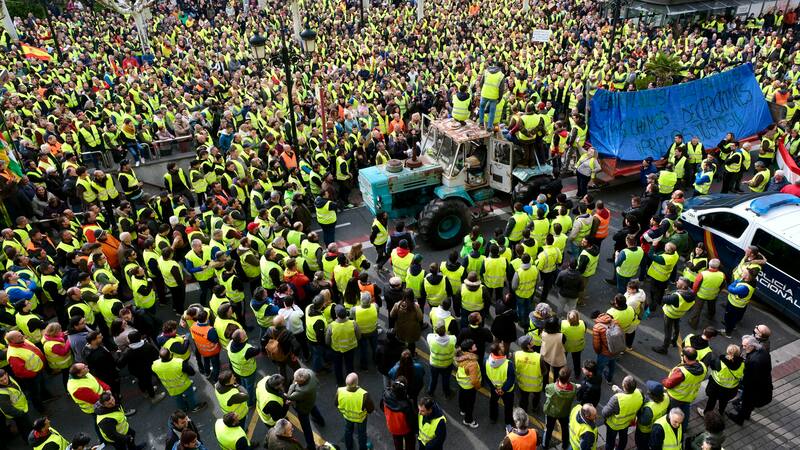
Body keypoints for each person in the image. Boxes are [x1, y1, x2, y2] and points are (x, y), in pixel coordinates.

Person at [727, 335, 772, 425]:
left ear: (752, 345)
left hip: (754, 387)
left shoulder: (753, 360)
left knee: (747, 401)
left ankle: (739, 419)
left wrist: (742, 382)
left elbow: (749, 377)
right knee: (749, 403)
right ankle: (746, 414)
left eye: (745, 346)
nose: (743, 348)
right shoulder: (762, 351)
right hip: (764, 382)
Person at [663, 347, 707, 431]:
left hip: (676, 398)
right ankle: (684, 427)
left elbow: (668, 384)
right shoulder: (703, 366)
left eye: (683, 355)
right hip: (689, 396)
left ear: (686, 358)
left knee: (672, 414)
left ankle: (670, 428)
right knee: (685, 412)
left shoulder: (681, 372)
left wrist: (664, 381)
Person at [152, 348, 207, 413]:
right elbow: (192, 372)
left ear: (160, 357)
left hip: (171, 388)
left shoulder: (155, 365)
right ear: (170, 355)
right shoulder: (178, 362)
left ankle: (183, 409)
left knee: (178, 399)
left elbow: (154, 373)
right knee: (190, 397)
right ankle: (194, 407)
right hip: (184, 386)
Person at [652, 277, 695, 355]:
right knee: (676, 326)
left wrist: (667, 292)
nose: (676, 282)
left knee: (668, 331)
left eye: (678, 282)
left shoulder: (676, 296)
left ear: (683, 287)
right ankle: (674, 341)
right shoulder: (691, 293)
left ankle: (664, 348)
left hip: (670, 314)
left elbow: (663, 300)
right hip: (679, 314)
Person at [698, 343, 743, 418]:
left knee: (711, 401)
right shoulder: (742, 364)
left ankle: (706, 413)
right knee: (724, 401)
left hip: (716, 387)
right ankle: (720, 412)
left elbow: (712, 365)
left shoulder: (720, 362)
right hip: (730, 389)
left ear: (728, 352)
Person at [287, 368, 326, 450]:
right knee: (314, 409)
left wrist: (293, 384)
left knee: (306, 427)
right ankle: (321, 421)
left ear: (301, 382)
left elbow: (289, 396)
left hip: (303, 408)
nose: (295, 380)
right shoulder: (310, 373)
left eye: (296, 380)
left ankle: (311, 445)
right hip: (311, 399)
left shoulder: (302, 391)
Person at [603, 375, 643, 450]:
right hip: (626, 423)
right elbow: (630, 397)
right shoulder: (639, 393)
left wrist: (618, 393)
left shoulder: (616, 399)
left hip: (614, 426)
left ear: (623, 385)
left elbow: (605, 412)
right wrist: (619, 390)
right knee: (623, 438)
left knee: (610, 442)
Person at [336, 372, 374, 450]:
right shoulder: (364, 394)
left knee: (348, 431)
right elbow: (370, 409)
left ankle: (349, 447)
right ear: (357, 383)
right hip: (361, 419)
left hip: (347, 416)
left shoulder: (339, 391)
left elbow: (336, 403)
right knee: (362, 434)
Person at [542, 367, 576, 450]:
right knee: (565, 429)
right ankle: (565, 445)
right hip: (564, 412)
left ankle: (545, 445)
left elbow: (546, 390)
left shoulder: (551, 387)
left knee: (548, 429)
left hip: (551, 412)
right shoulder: (573, 388)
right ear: (568, 378)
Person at [327, 305, 360, 387]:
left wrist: (329, 345)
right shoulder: (353, 323)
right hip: (350, 348)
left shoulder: (331, 326)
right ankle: (351, 381)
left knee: (337, 366)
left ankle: (339, 382)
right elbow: (359, 336)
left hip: (337, 349)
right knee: (349, 365)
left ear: (336, 315)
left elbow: (327, 340)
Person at [381, 377, 416, 450]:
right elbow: (411, 421)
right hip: (405, 429)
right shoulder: (406, 405)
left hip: (392, 427)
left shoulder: (385, 396)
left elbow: (382, 407)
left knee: (397, 443)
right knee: (410, 444)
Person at [486, 342, 516, 426]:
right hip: (507, 390)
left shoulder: (487, 362)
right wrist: (503, 389)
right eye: (501, 347)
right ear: (499, 352)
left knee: (493, 402)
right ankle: (508, 422)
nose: (503, 346)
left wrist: (494, 388)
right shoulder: (508, 364)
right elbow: (511, 379)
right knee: (508, 406)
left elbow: (487, 377)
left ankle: (493, 417)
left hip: (494, 388)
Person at [0, 368, 33, 445]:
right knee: (24, 428)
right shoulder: (1, 393)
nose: (5, 381)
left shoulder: (10, 378)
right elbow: (7, 409)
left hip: (22, 407)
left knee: (26, 426)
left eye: (5, 378)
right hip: (17, 413)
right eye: (1, 381)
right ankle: (29, 441)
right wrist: (21, 413)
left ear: (7, 375)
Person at [635, 380, 670, 450]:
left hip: (644, 432)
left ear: (651, 394)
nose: (647, 391)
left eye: (649, 391)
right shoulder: (666, 397)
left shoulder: (649, 409)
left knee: (641, 444)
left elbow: (642, 422)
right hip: (656, 427)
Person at [723, 268, 756, 337]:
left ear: (747, 276)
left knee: (729, 318)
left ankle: (727, 332)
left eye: (743, 273)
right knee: (734, 318)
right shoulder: (752, 281)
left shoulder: (744, 287)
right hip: (739, 305)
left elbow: (730, 289)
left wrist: (736, 282)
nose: (741, 273)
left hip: (734, 305)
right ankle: (732, 326)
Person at [426, 322, 456, 399]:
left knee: (433, 379)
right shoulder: (453, 339)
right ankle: (447, 393)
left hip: (434, 364)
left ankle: (430, 392)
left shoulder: (431, 338)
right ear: (445, 330)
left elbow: (430, 335)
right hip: (447, 364)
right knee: (446, 380)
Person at [591, 311, 617, 385]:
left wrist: (598, 352)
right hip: (615, 349)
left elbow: (596, 344)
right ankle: (609, 380)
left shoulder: (597, 327)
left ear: (595, 318)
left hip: (604, 352)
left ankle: (597, 381)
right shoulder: (615, 321)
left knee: (599, 368)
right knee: (612, 365)